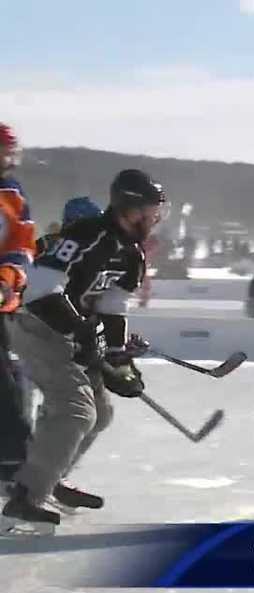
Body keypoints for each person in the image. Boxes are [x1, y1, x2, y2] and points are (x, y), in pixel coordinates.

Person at [1, 169, 165, 533]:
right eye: (146, 212)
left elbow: (113, 306)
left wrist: (119, 357)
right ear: (125, 207)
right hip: (37, 326)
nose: (152, 220)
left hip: (73, 333)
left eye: (156, 213)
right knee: (75, 411)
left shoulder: (132, 255)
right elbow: (40, 290)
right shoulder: (87, 235)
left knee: (101, 413)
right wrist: (84, 332)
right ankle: (25, 498)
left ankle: (50, 474)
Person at [0, 123, 37, 485]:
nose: (8, 160)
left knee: (11, 378)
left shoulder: (12, 192)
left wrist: (8, 279)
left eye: (11, 153)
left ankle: (14, 459)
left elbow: (22, 245)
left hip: (2, 302)